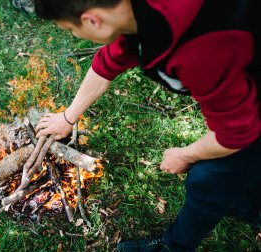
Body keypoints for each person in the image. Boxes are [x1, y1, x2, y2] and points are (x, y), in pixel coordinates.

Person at [33, 0, 261, 251]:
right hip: (240, 94)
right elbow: (109, 62)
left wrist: (185, 154)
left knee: (206, 179)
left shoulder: (196, 50)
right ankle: (248, 206)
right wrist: (68, 116)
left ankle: (175, 246)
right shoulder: (136, 13)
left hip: (249, 114)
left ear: (92, 20)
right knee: (239, 175)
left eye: (70, 29)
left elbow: (236, 134)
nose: (74, 35)